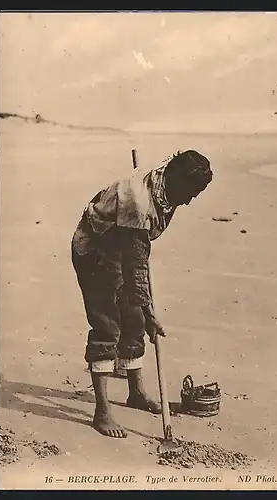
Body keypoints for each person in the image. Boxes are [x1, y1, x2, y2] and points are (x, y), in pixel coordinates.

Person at [71, 150, 213, 438]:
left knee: (133, 319)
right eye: (187, 193)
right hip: (94, 250)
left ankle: (135, 393)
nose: (187, 201)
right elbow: (135, 262)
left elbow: (135, 254)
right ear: (172, 177)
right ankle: (101, 411)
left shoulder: (166, 182)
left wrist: (142, 308)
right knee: (107, 325)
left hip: (122, 246)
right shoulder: (138, 202)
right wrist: (150, 310)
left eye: (194, 195)